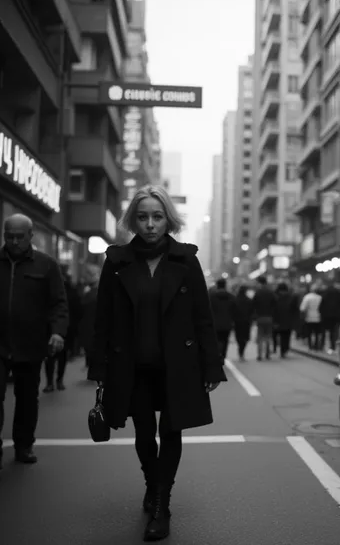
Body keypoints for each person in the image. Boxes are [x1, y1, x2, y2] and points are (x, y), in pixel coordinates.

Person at [87, 185, 226, 542]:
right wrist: (98, 367)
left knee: (172, 430)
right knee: (144, 432)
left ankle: (162, 503)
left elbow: (202, 318)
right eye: (143, 217)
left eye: (157, 216)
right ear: (133, 220)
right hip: (132, 365)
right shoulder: (117, 261)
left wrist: (212, 366)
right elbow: (102, 319)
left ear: (168, 219)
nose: (150, 224)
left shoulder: (186, 260)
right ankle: (152, 483)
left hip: (177, 365)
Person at [0, 214, 68, 470]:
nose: (14, 242)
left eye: (19, 237)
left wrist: (58, 332)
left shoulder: (46, 265)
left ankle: (23, 444)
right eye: (9, 236)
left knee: (27, 398)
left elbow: (59, 303)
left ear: (30, 236)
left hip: (31, 343)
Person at [44, 265, 82, 392]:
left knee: (59, 356)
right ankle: (53, 381)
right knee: (54, 356)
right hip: (52, 326)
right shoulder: (58, 289)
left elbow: (76, 310)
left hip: (66, 327)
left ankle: (56, 381)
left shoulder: (70, 291)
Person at [209, 278, 235, 361]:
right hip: (227, 323)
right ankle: (223, 356)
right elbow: (234, 310)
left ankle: (217, 355)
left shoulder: (211, 297)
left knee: (216, 340)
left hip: (215, 322)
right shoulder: (231, 297)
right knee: (225, 340)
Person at [251, 275, 277, 361]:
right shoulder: (271, 292)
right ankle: (267, 354)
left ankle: (259, 355)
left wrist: (254, 316)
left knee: (260, 336)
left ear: (259, 283)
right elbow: (275, 305)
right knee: (268, 336)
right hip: (269, 317)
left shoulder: (258, 292)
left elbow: (253, 305)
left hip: (260, 317)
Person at [274, 282, 298, 358]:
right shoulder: (291, 297)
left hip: (280, 320)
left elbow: (275, 310)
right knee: (286, 336)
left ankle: (282, 350)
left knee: (281, 336)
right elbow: (295, 309)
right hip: (288, 320)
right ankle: (285, 349)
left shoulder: (276, 297)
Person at [299, 285, 323, 351]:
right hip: (318, 317)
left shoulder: (307, 297)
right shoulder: (320, 297)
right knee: (317, 333)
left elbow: (302, 308)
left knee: (309, 332)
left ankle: (310, 346)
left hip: (309, 317)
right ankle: (316, 346)